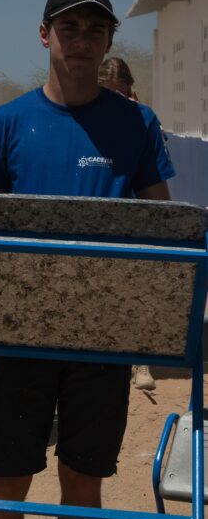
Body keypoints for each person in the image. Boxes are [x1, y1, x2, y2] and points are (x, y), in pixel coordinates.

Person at [0, 0, 174, 519]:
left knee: (83, 486)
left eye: (94, 30)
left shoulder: (137, 123)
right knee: (5, 485)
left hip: (102, 346)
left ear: (108, 41)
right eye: (69, 28)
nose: (81, 41)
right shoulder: (7, 122)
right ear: (44, 35)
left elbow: (162, 226)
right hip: (21, 341)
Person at [97, 56, 172, 393]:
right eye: (108, 92)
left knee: (137, 291)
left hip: (135, 219)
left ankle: (139, 360)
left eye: (122, 93)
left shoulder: (143, 121)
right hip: (100, 220)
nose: (116, 99)